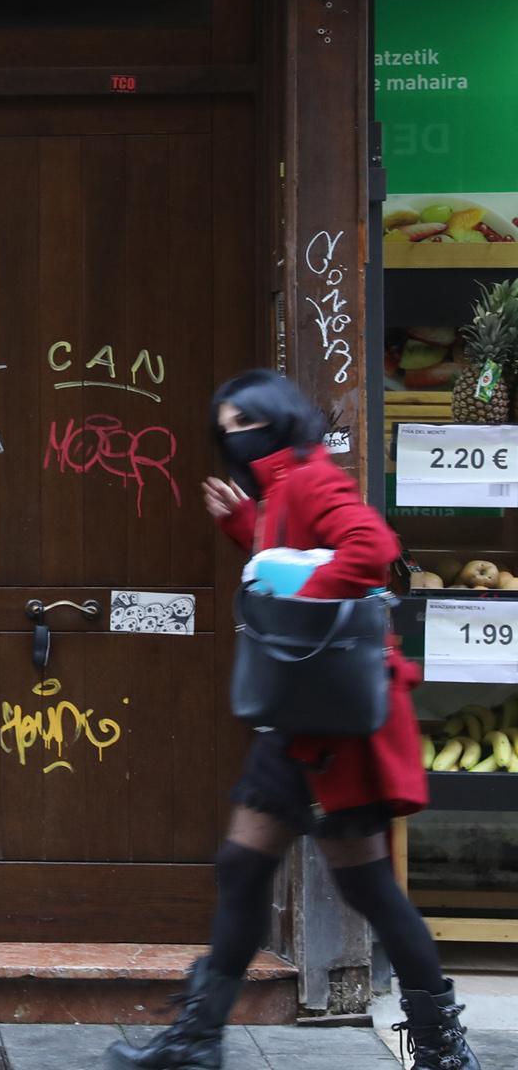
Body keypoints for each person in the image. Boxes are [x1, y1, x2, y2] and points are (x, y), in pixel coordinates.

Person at [106, 370, 479, 1070]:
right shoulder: (277, 490)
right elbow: (288, 563)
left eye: (245, 421)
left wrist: (299, 594)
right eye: (226, 427)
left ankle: (442, 1048)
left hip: (337, 726)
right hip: (305, 719)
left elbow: (371, 551)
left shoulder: (309, 479)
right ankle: (198, 1040)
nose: (235, 436)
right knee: (247, 868)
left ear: (277, 418)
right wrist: (242, 527)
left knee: (355, 885)